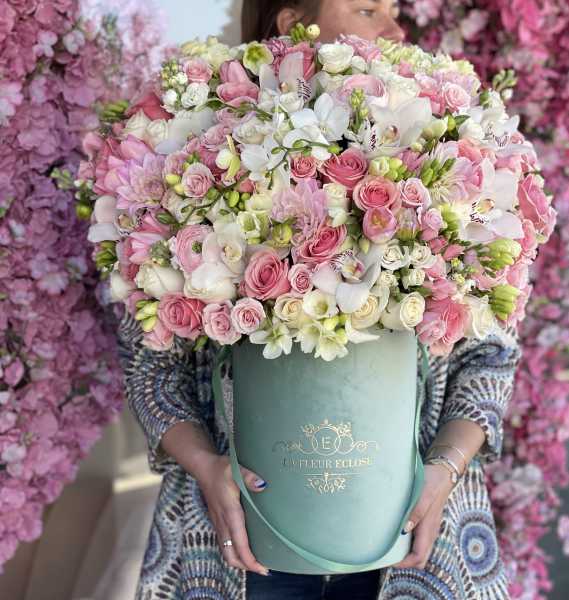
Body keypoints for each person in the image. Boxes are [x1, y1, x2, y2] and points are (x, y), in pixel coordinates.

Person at [117, 1, 523, 598]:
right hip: (236, 541)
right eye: (367, 9)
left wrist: (445, 469)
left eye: (394, 9)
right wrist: (204, 465)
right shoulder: (200, 147)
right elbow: (148, 361)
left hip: (416, 539)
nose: (395, 29)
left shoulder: (447, 147)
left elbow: (490, 354)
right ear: (292, 25)